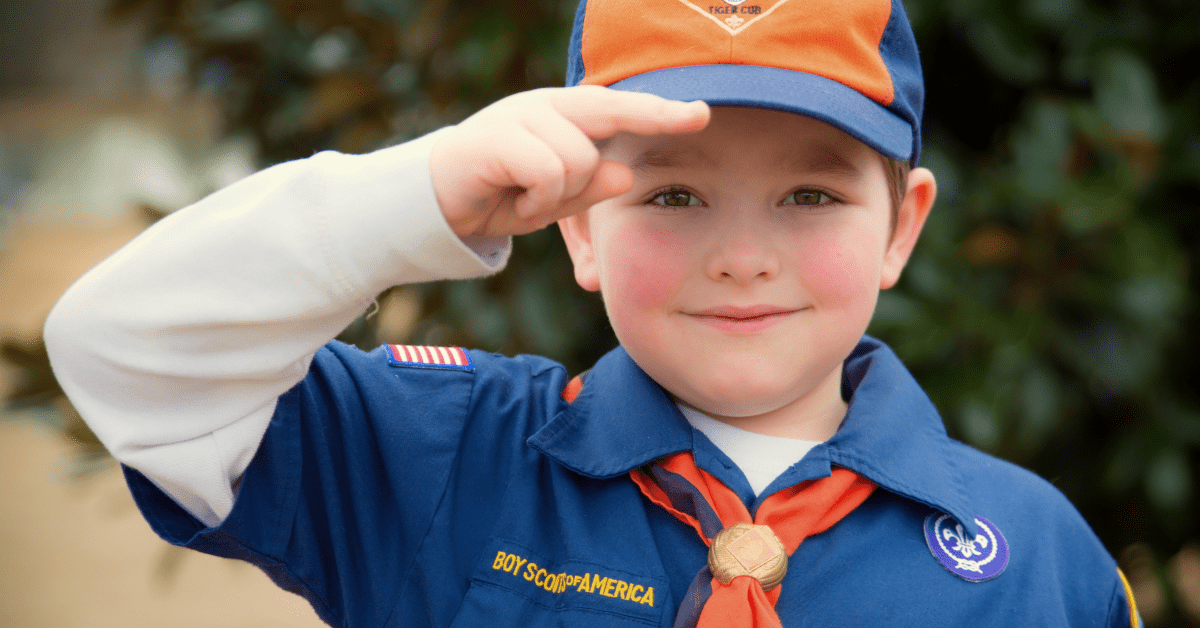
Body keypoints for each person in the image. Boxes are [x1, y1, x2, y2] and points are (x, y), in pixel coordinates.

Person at [44, 0, 1141, 626]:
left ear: (902, 227)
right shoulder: (445, 458)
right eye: (671, 193)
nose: (745, 257)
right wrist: (414, 192)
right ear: (576, 228)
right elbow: (116, 346)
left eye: (812, 194)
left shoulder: (1040, 556)